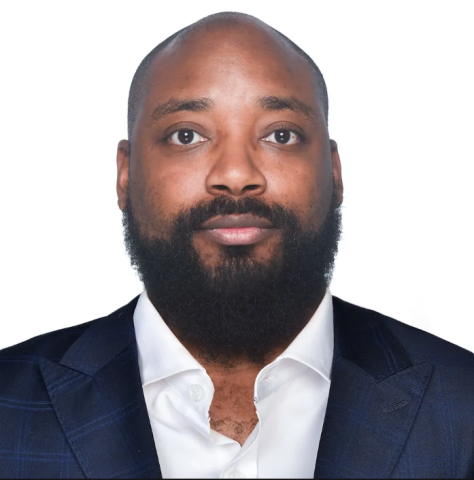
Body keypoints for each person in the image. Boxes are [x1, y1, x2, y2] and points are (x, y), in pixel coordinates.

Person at [0, 11, 473, 479]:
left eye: (281, 135)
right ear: (125, 174)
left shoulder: (463, 404)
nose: (235, 174)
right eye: (186, 135)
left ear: (334, 172)